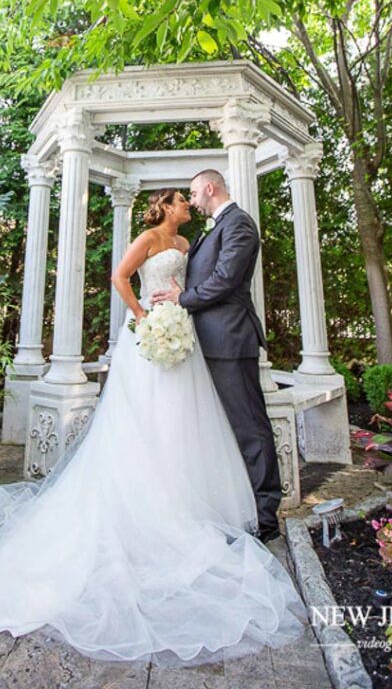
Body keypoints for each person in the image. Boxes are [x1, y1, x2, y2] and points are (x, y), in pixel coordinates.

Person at [0, 188, 305, 663]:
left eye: (192, 200)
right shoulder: (146, 237)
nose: (188, 207)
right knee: (144, 421)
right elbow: (120, 277)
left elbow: (212, 281)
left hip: (185, 336)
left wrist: (178, 308)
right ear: (166, 207)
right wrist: (143, 315)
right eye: (182, 202)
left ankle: (185, 499)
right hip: (149, 337)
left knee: (185, 422)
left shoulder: (190, 245)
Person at [152, 170, 282, 542]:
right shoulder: (216, 227)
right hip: (209, 341)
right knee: (225, 429)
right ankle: (238, 506)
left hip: (230, 339)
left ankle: (266, 517)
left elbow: (225, 279)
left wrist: (183, 299)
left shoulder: (239, 223)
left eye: (193, 192)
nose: (191, 200)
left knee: (250, 427)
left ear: (210, 188)